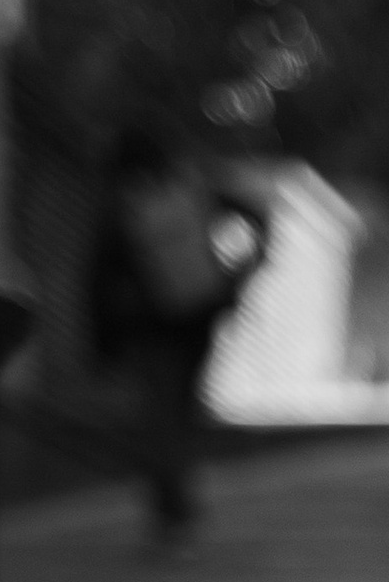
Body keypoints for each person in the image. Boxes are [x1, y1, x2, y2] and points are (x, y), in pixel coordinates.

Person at [87, 135, 266, 544]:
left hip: (153, 320)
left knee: (160, 416)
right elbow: (257, 216)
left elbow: (99, 275)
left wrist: (102, 342)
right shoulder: (192, 184)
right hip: (199, 314)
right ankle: (178, 506)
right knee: (181, 412)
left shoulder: (122, 202)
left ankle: (172, 512)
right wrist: (238, 275)